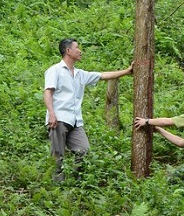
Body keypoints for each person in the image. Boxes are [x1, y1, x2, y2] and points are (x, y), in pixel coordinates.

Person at [44, 38, 133, 182]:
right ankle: (57, 188)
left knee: (83, 149)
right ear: (68, 51)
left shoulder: (80, 74)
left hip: (75, 121)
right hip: (59, 118)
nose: (80, 51)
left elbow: (102, 76)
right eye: (77, 48)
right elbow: (48, 93)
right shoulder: (55, 71)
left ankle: (76, 181)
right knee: (57, 154)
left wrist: (127, 71)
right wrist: (52, 114)